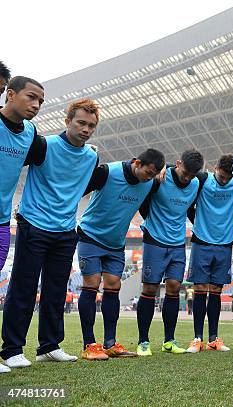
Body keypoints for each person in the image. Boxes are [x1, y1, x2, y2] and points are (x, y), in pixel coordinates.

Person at [1, 98, 99, 370]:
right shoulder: (43, 145)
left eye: (91, 125)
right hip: (33, 224)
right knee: (23, 287)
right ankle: (11, 349)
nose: (86, 129)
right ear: (67, 122)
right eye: (80, 123)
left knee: (56, 291)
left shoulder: (92, 155)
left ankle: (49, 346)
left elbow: (87, 184)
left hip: (66, 230)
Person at [77, 148, 164, 361]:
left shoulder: (151, 183)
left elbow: (174, 173)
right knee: (91, 283)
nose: (149, 178)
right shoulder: (107, 172)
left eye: (154, 175)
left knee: (114, 285)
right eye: (148, 172)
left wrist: (162, 173)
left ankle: (110, 343)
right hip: (90, 235)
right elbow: (78, 189)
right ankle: (89, 344)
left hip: (116, 243)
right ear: (136, 162)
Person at [135, 149, 203, 356]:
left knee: (174, 287)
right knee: (149, 288)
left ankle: (169, 340)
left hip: (177, 243)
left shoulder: (196, 183)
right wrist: (153, 224)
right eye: (186, 172)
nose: (188, 177)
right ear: (178, 163)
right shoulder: (159, 179)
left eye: (192, 174)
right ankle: (143, 341)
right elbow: (143, 203)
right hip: (154, 240)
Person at [184, 154, 233, 354]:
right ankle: (197, 338)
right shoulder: (201, 180)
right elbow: (188, 205)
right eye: (222, 176)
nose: (225, 180)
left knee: (216, 289)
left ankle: (213, 338)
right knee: (200, 287)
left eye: (228, 177)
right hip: (202, 241)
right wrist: (200, 221)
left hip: (224, 243)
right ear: (215, 167)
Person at [0, 76, 45, 275]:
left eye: (40, 102)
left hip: (2, 219)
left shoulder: (30, 132)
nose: (36, 105)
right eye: (31, 97)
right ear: (10, 94)